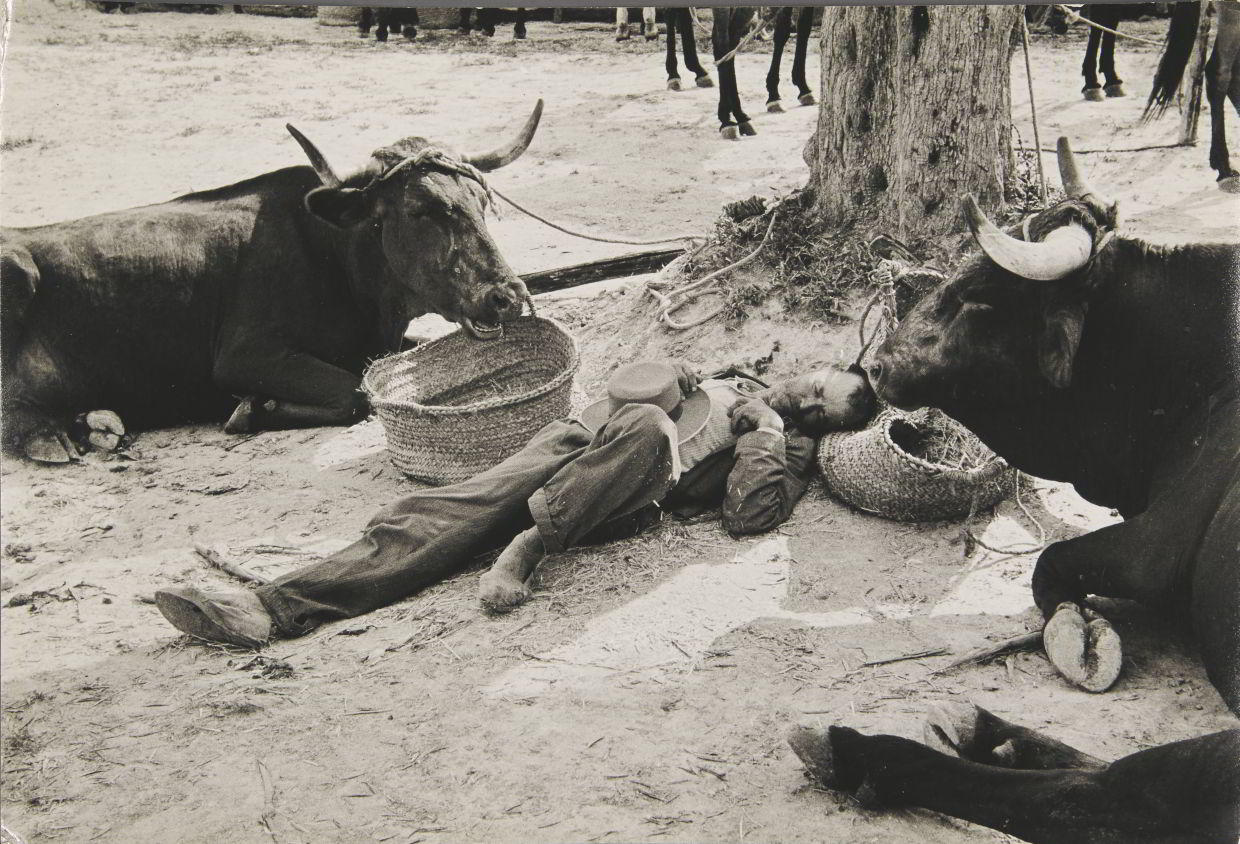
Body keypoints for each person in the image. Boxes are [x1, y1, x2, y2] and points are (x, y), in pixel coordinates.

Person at [153, 360, 875, 649]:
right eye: (812, 381)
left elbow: (749, 516)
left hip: (619, 483)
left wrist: (768, 435)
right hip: (577, 439)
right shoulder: (744, 374)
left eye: (816, 406)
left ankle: (526, 548)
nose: (801, 395)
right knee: (455, 511)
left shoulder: (787, 445)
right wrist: (687, 378)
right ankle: (276, 605)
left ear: (819, 425)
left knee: (645, 435)